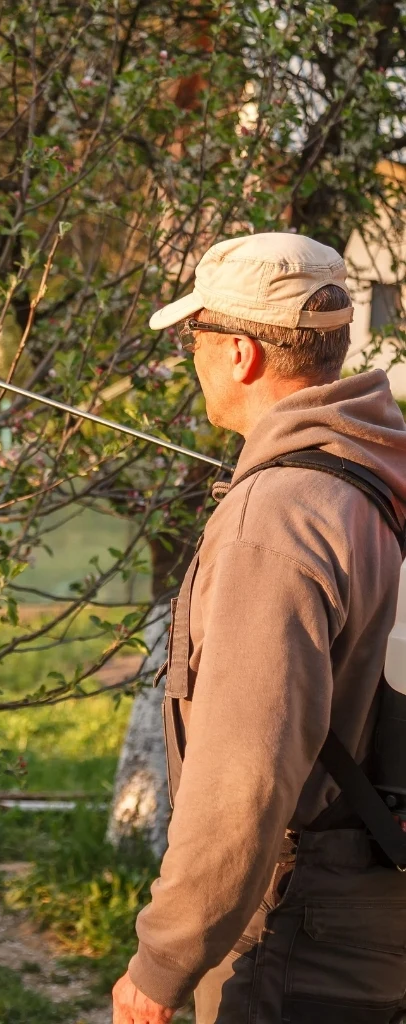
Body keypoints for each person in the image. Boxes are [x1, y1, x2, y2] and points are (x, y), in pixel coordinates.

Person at [110, 232, 406, 1024]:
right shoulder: (380, 476)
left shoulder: (276, 521)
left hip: (293, 933)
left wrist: (163, 961)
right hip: (378, 908)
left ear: (239, 353)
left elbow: (244, 775)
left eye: (195, 340)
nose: (192, 358)